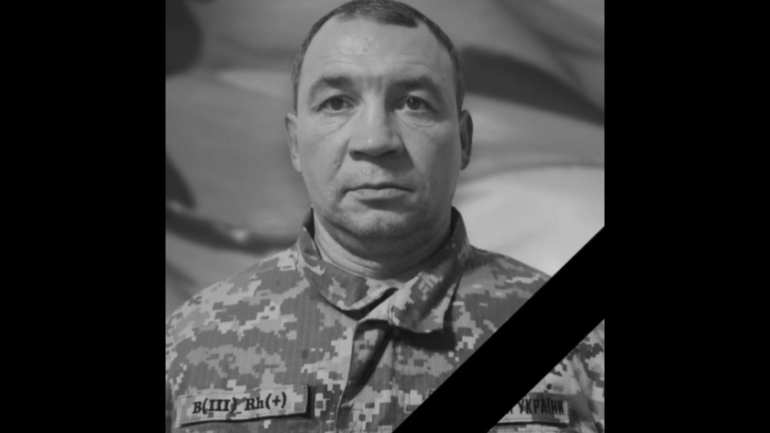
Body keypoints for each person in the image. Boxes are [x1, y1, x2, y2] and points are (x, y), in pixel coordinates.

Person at [165, 1, 604, 432]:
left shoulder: (587, 348)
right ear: (295, 145)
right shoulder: (188, 342)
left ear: (464, 141)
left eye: (413, 103)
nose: (375, 140)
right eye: (337, 103)